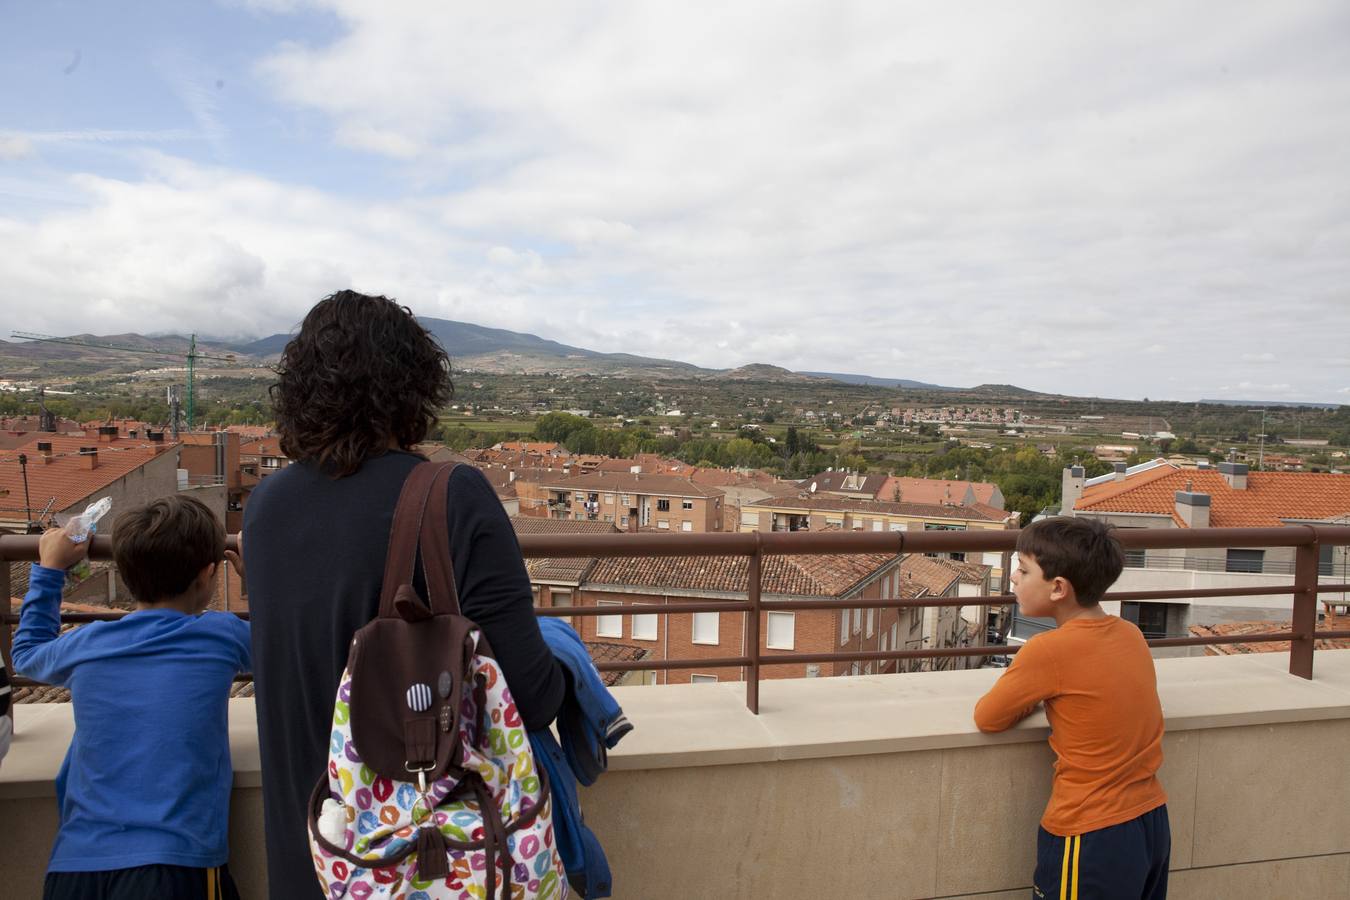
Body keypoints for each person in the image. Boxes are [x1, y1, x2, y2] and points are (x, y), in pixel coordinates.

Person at [242, 290, 565, 899]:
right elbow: (531, 695)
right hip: (419, 867)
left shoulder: (264, 509)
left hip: (316, 860)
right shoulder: (454, 497)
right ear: (412, 387)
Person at [12, 495, 251, 900]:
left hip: (76, 863)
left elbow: (26, 654)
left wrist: (50, 569)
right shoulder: (221, 635)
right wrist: (257, 579)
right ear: (208, 574)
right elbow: (287, 645)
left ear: (124, 572)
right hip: (174, 866)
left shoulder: (87, 643)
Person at [974, 517, 1169, 900]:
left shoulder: (1048, 650)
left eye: (1024, 570)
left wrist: (1040, 694)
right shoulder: (1130, 634)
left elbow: (989, 717)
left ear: (1059, 588)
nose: (1013, 578)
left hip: (1091, 830)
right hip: (1151, 820)